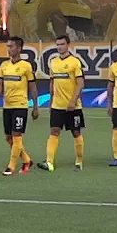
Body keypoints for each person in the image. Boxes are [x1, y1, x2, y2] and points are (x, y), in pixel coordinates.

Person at [0, 36, 38, 176]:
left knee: (17, 135)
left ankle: (11, 166)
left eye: (11, 46)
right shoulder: (4, 65)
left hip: (20, 105)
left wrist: (35, 107)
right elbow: (0, 85)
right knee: (8, 137)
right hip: (7, 106)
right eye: (8, 46)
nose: (8, 49)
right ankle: (27, 159)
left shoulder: (26, 66)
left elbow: (33, 87)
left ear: (19, 48)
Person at [40, 34, 85, 172]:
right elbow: (52, 82)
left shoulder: (75, 62)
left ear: (68, 45)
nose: (59, 47)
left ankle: (79, 160)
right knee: (54, 131)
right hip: (57, 105)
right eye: (58, 45)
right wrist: (50, 101)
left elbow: (80, 83)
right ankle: (49, 162)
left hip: (73, 106)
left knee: (76, 132)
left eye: (62, 44)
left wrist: (72, 101)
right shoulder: (53, 62)